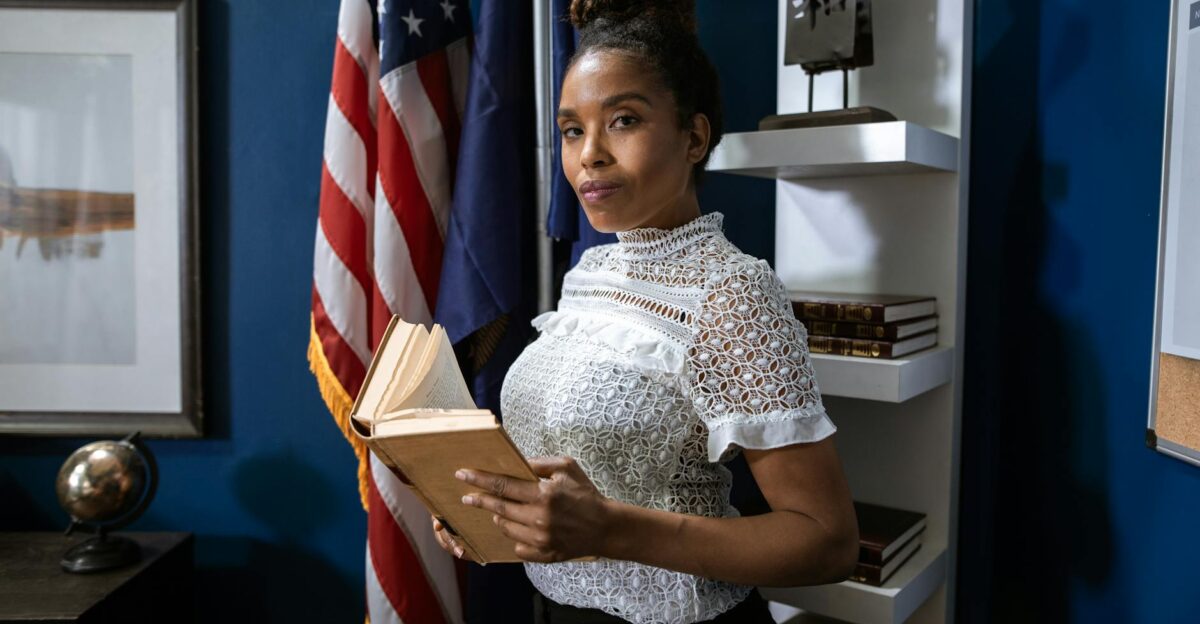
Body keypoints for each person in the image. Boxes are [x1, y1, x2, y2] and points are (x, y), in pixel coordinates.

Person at [433, 1, 859, 622]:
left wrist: (610, 531)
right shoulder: (591, 274)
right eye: (573, 129)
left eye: (624, 120)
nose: (590, 155)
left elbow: (827, 542)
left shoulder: (733, 294)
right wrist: (495, 512)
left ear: (694, 137)